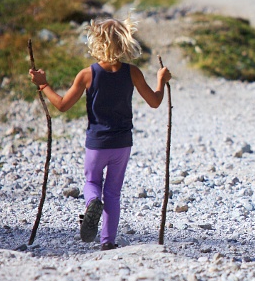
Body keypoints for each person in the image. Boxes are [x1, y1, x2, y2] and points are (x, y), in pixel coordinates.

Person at [28, 16, 171, 250]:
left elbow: (62, 105)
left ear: (95, 43)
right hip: (123, 143)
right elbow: (155, 102)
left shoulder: (87, 74)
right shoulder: (133, 72)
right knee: (113, 193)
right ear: (125, 43)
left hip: (97, 143)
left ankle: (92, 202)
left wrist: (43, 84)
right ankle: (107, 242)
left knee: (92, 181)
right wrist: (161, 80)